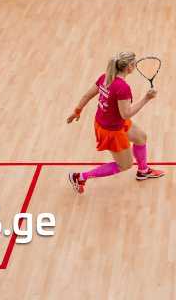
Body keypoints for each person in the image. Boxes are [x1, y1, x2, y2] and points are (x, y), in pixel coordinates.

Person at [67, 52, 164, 194]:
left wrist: (77, 111)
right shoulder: (122, 88)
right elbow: (126, 114)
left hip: (111, 121)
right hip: (111, 130)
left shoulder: (105, 77)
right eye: (134, 64)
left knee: (141, 137)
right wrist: (147, 98)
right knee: (125, 165)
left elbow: (87, 95)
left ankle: (143, 171)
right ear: (129, 67)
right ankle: (80, 177)